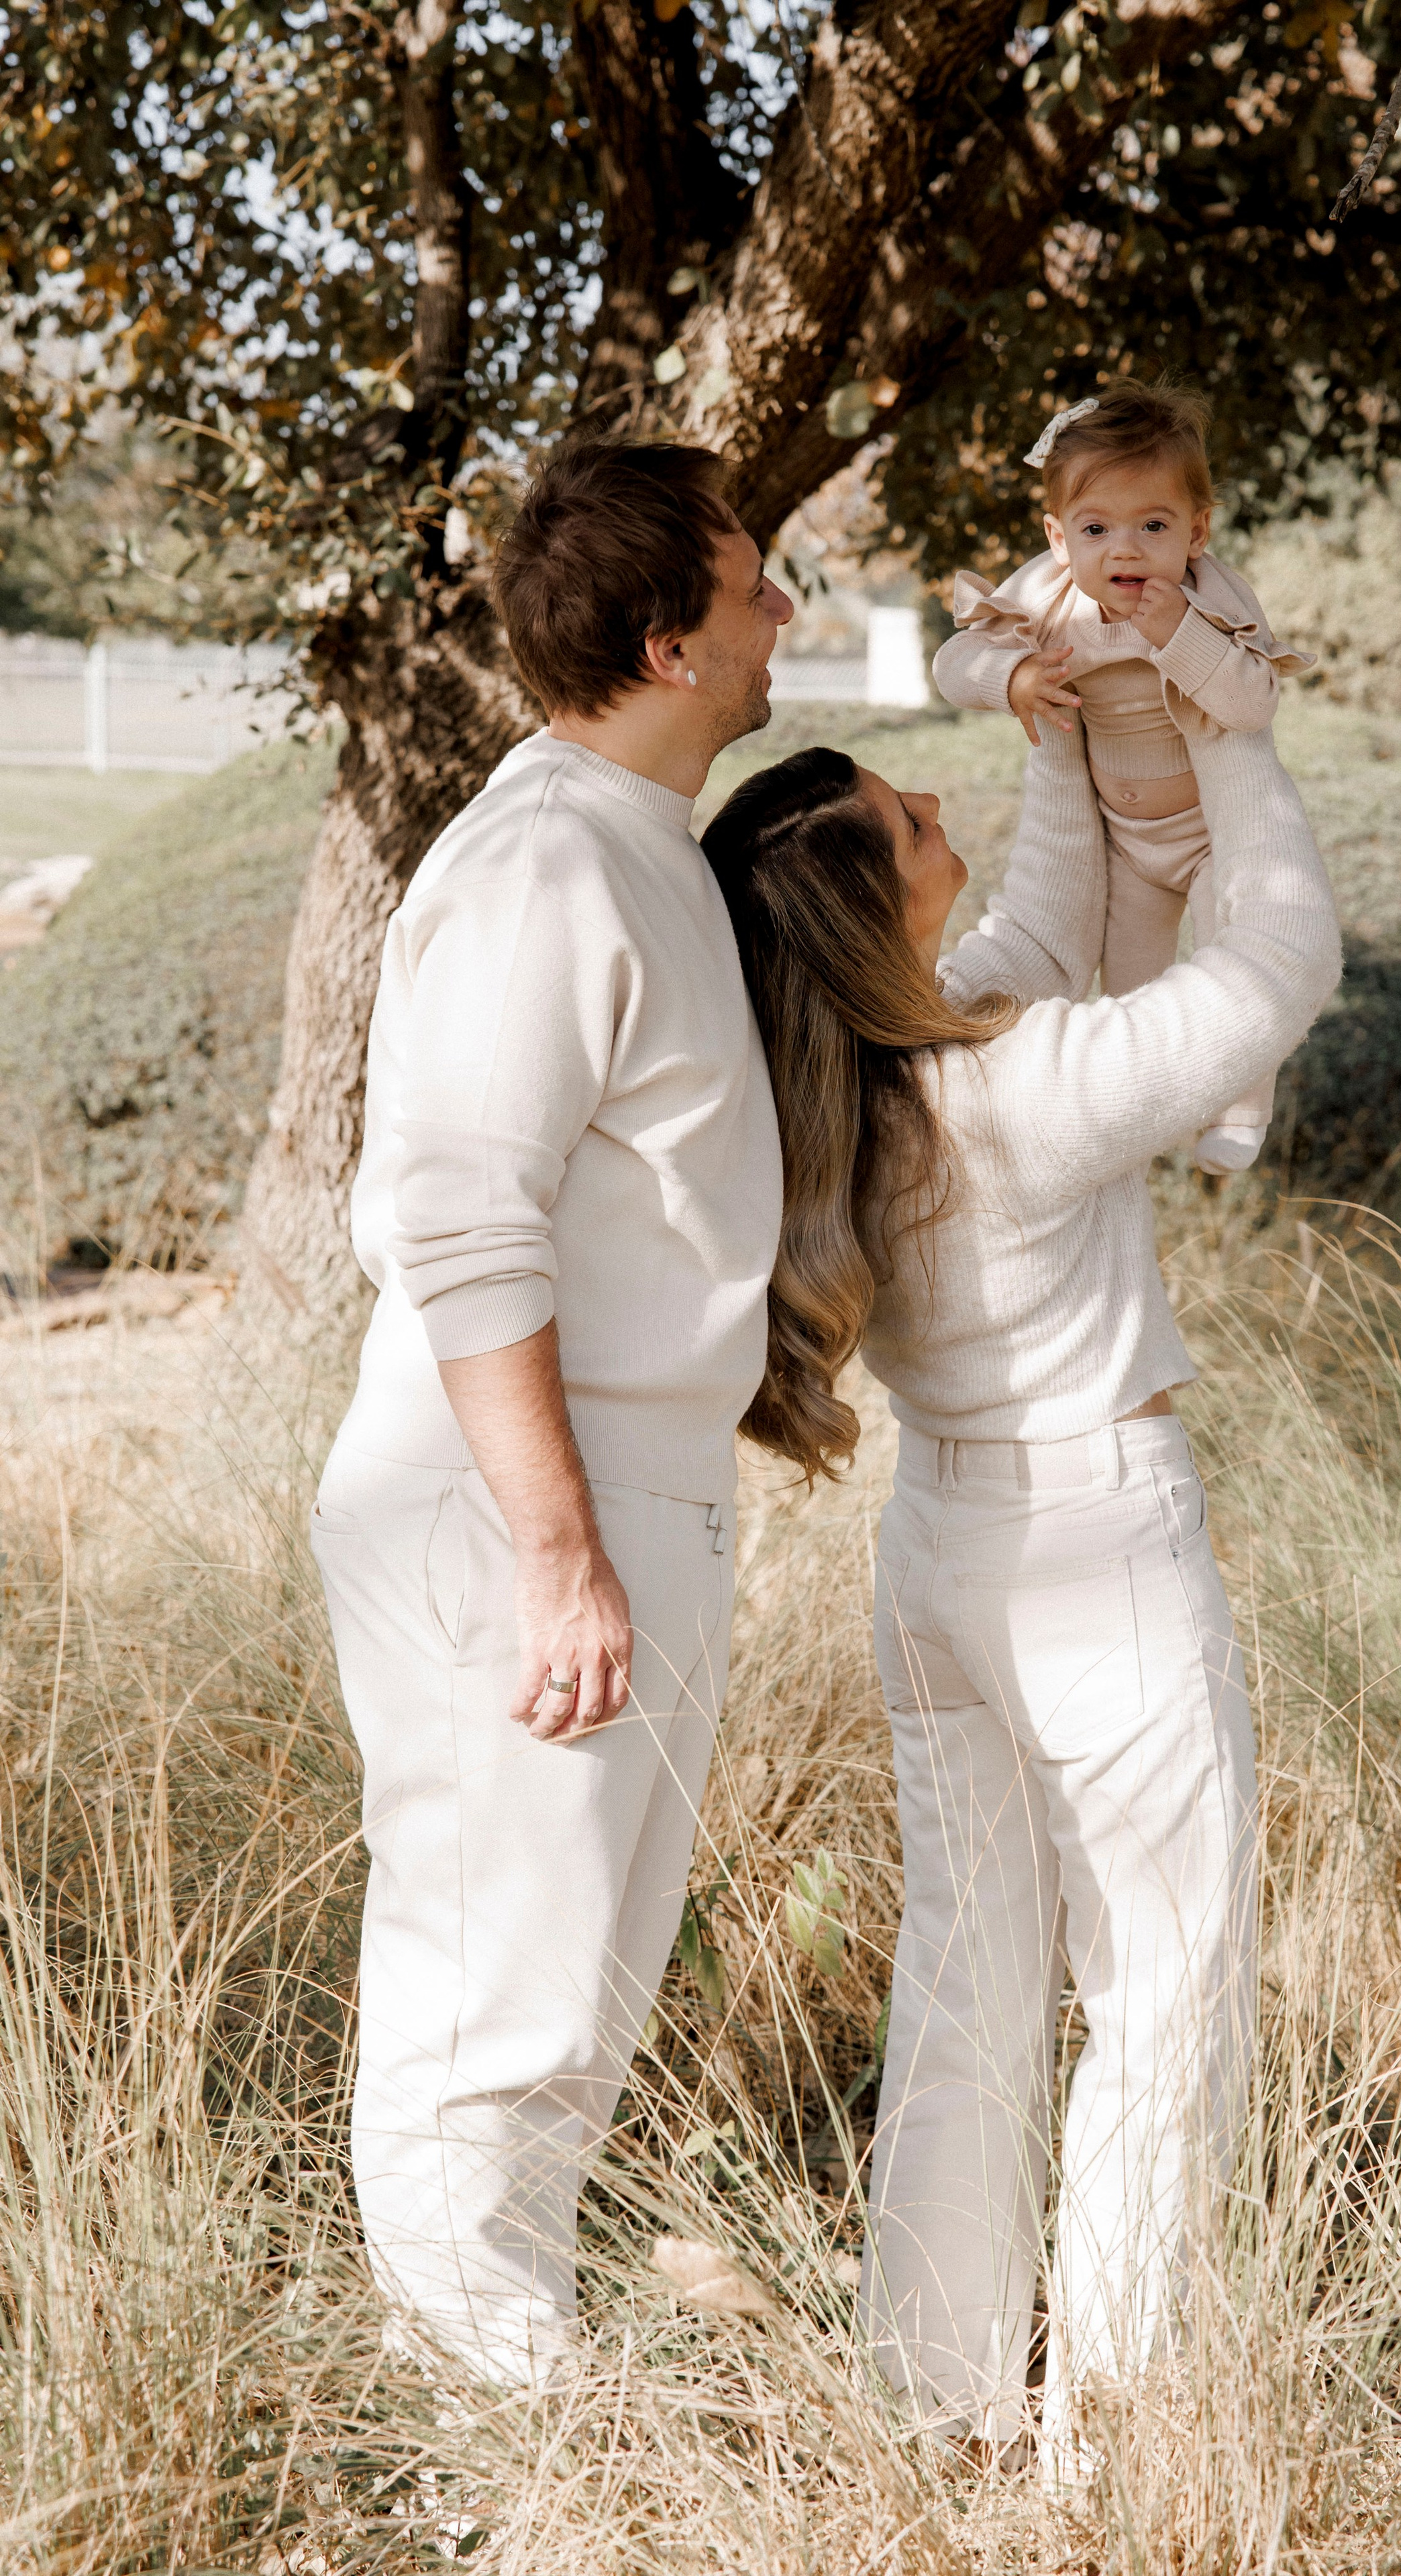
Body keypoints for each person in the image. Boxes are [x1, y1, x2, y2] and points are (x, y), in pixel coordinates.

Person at [701, 706, 1340, 2465]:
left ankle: (938, 2401)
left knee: (969, 1980)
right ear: (864, 902)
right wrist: (1235, 747)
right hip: (1098, 1551)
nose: (935, 807)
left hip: (939, 1559)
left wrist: (1073, 747)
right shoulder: (1020, 1092)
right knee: (1165, 1992)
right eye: (908, 817)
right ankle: (1115, 2437)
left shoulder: (853, 1089)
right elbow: (1283, 958)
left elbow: (1044, 936)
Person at [310, 439, 791, 2383]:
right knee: (493, 1986)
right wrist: (562, 1548)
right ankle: (495, 2437)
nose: (788, 616)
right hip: (516, 1493)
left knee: (571, 1978)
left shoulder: (630, 847)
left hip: (605, 1486)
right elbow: (463, 1222)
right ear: (670, 638)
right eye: (758, 586)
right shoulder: (540, 866)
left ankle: (515, 2381)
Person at [932, 379, 1315, 1174]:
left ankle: (1242, 1105)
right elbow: (952, 664)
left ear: (1197, 533)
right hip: (1127, 844)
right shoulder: (1044, 598)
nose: (1125, 549)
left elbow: (1252, 702)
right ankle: (1150, 1125)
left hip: (1210, 836)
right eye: (1096, 527)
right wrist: (1011, 679)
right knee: (1136, 996)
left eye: (1153, 524)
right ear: (1058, 536)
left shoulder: (1211, 602)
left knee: (1235, 950)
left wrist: (1182, 636)